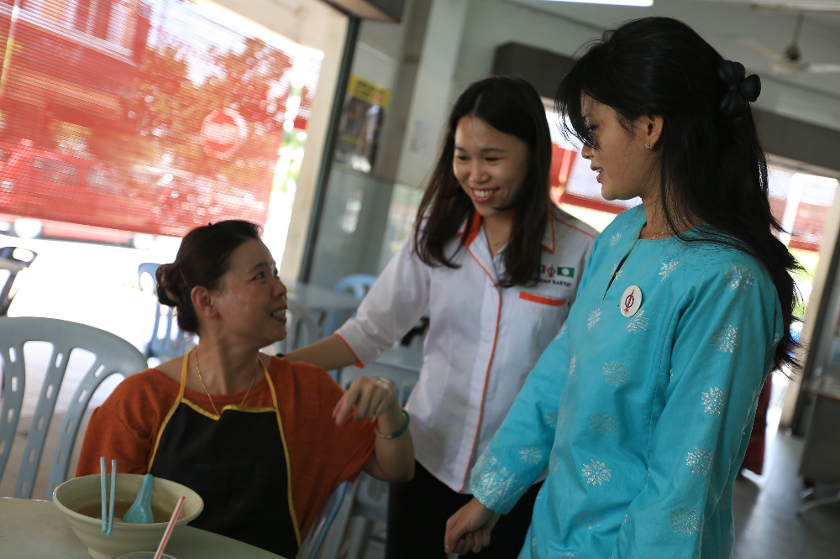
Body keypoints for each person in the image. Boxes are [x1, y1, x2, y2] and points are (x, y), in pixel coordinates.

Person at [444, 17, 802, 559]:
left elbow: (685, 479)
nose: (587, 149)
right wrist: (495, 493)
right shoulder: (621, 234)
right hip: (551, 536)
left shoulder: (729, 282)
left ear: (651, 127)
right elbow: (561, 369)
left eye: (595, 127)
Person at [286, 76, 597, 559]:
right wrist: (281, 369)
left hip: (519, 480)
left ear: (534, 154)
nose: (475, 174)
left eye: (493, 157)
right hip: (425, 459)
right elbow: (370, 331)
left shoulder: (582, 250)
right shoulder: (438, 236)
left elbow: (581, 377)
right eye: (462, 156)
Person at [75, 220, 414, 558]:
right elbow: (99, 524)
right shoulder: (141, 401)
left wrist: (389, 409)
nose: (280, 288)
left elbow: (395, 468)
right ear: (206, 301)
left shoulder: (307, 392)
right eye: (260, 276)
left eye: (275, 273)